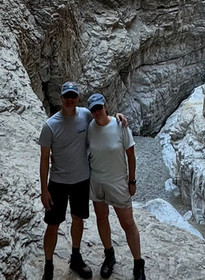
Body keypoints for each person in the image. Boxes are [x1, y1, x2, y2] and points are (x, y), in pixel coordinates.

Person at [86, 93, 145, 280]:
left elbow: (131, 155)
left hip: (118, 182)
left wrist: (132, 180)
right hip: (96, 182)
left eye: (99, 108)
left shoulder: (120, 125)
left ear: (106, 106)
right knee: (102, 218)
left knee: (127, 223)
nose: (97, 112)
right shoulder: (89, 127)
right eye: (93, 109)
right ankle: (109, 256)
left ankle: (138, 263)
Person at [39, 81, 95, 280]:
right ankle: (48, 265)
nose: (70, 99)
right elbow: (44, 158)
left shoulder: (86, 116)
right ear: (61, 98)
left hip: (81, 179)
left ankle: (76, 257)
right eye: (66, 96)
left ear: (77, 98)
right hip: (58, 182)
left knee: (78, 218)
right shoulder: (50, 126)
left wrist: (120, 118)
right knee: (52, 224)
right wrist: (44, 190)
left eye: (73, 96)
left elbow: (104, 123)